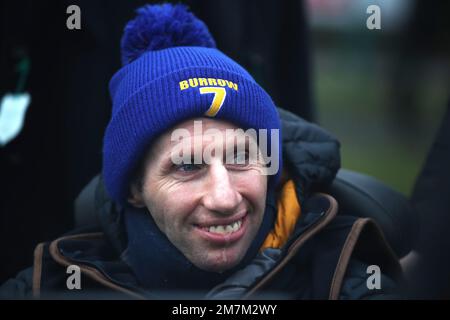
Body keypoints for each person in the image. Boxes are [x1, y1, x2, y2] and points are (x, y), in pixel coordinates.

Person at [0, 3, 402, 299]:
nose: (225, 198)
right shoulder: (46, 286)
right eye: (188, 165)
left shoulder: (342, 278)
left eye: (242, 157)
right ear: (135, 188)